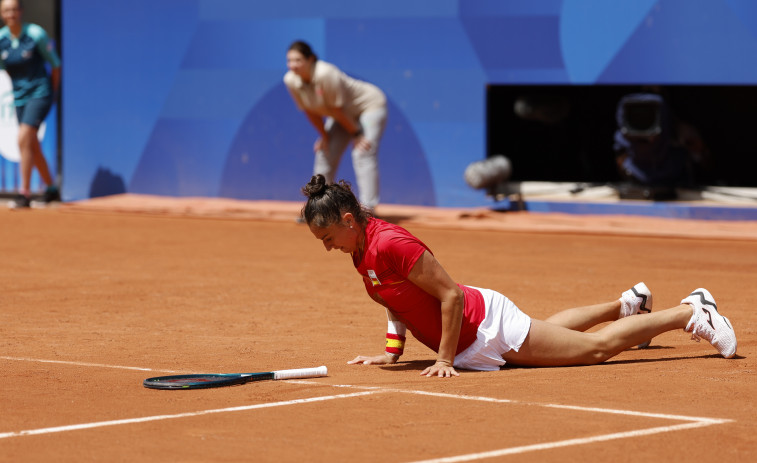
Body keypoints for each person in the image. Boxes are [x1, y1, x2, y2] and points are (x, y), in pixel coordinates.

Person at [300, 174, 737, 378]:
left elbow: (449, 296)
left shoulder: (390, 243)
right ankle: (628, 305)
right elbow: (396, 301)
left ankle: (688, 312)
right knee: (550, 331)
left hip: (485, 326)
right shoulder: (360, 252)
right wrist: (392, 352)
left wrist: (445, 359)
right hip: (477, 339)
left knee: (596, 350)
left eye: (326, 235)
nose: (325, 246)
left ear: (347, 219)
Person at [284, 40, 386, 212]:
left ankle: (368, 211)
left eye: (298, 60)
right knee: (325, 151)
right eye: (290, 61)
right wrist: (324, 136)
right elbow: (310, 112)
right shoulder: (290, 80)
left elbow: (336, 110)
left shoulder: (325, 73)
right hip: (342, 115)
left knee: (363, 151)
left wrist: (357, 133)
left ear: (310, 60)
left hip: (369, 107)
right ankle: (319, 208)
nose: (293, 65)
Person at [0, 0, 60, 209]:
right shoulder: (1, 40)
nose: (11, 14)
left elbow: (55, 65)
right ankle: (51, 188)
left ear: (21, 11)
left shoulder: (36, 34)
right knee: (32, 144)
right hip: (19, 97)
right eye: (7, 10)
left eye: (14, 9)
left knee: (24, 136)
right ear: (2, 14)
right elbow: (5, 68)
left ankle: (24, 193)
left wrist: (51, 93)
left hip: (40, 93)